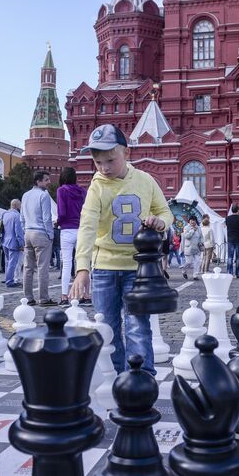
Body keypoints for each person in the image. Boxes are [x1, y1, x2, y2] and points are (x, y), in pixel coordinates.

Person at [70, 124, 173, 376]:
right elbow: (87, 227)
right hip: (104, 267)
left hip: (138, 269)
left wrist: (162, 223)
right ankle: (116, 377)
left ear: (125, 153)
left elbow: (165, 212)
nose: (104, 168)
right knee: (108, 327)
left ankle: (142, 377)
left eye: (110, 160)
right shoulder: (96, 187)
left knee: (138, 325)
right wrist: (82, 268)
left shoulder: (145, 180)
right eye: (98, 162)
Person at [21, 171, 56, 306]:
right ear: (38, 181)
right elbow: (47, 218)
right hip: (41, 233)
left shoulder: (25, 195)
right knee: (43, 267)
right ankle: (43, 298)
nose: (49, 182)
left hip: (28, 233)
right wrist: (50, 235)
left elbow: (22, 217)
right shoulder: (44, 195)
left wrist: (25, 230)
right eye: (46, 180)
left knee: (28, 268)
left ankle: (28, 298)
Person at [57, 166, 87, 306]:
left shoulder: (61, 190)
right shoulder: (82, 191)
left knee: (67, 264)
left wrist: (58, 222)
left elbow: (62, 212)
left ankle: (64, 296)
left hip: (67, 230)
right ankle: (86, 294)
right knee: (84, 263)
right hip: (81, 228)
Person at [1, 199, 24, 288]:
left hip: (5, 241)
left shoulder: (5, 214)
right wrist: (21, 244)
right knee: (12, 263)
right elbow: (18, 232)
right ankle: (10, 281)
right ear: (16, 205)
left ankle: (7, 279)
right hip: (13, 242)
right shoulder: (17, 216)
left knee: (8, 262)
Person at [225, 204, 239, 277]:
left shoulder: (227, 218)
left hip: (230, 239)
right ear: (238, 210)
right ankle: (238, 273)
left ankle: (229, 272)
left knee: (230, 257)